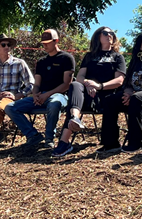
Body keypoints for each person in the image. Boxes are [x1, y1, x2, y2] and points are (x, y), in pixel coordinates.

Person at [51, 26, 126, 158]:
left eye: (112, 33)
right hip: (87, 95)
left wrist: (99, 86)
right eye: (105, 33)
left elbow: (119, 80)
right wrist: (88, 84)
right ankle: (73, 122)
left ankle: (64, 140)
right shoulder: (90, 56)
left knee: (76, 96)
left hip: (107, 97)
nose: (109, 35)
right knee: (75, 84)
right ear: (98, 36)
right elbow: (80, 76)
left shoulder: (118, 57)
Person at [4, 29, 75, 153]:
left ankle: (49, 138)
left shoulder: (66, 58)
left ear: (56, 41)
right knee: (10, 107)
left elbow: (66, 84)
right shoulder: (42, 62)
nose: (45, 45)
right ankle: (33, 135)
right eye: (43, 43)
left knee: (54, 104)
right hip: (41, 95)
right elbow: (36, 84)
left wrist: (46, 94)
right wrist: (36, 94)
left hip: (59, 95)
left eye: (48, 42)